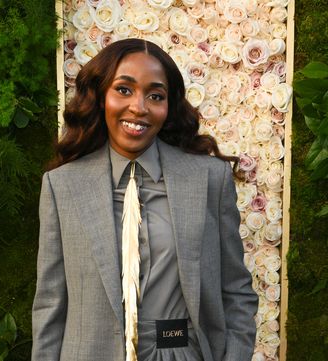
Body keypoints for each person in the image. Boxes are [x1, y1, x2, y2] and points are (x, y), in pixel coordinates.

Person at [32, 38, 258, 361]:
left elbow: (236, 291)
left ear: (168, 107)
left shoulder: (209, 179)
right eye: (123, 90)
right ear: (101, 97)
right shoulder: (62, 186)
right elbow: (50, 305)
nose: (139, 107)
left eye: (155, 96)